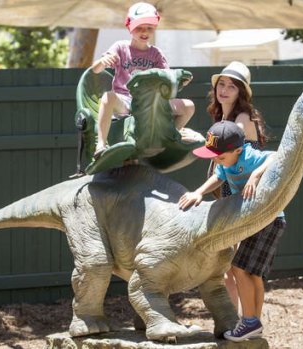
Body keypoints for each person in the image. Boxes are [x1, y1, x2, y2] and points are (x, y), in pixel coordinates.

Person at [178, 121, 285, 342]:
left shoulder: (249, 156)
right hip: (253, 221)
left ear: (238, 150)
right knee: (253, 273)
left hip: (268, 220)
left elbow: (276, 156)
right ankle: (253, 322)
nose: (217, 160)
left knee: (238, 268)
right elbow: (219, 175)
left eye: (220, 156)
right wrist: (198, 192)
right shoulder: (226, 160)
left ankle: (248, 322)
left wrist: (255, 175)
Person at [206, 61, 274, 316]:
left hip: (245, 199)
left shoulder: (243, 119)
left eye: (231, 87)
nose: (224, 90)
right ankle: (234, 322)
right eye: (221, 84)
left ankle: (248, 321)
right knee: (227, 269)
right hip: (228, 195)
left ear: (240, 93)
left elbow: (256, 159)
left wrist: (253, 179)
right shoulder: (222, 116)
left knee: (240, 268)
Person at [90, 2, 195, 159]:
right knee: (107, 97)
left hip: (151, 101)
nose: (144, 32)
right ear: (129, 27)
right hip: (125, 100)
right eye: (139, 27)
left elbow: (167, 78)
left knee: (188, 106)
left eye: (149, 28)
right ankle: (101, 144)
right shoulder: (120, 47)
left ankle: (171, 136)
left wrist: (180, 81)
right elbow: (95, 70)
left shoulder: (156, 54)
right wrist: (103, 61)